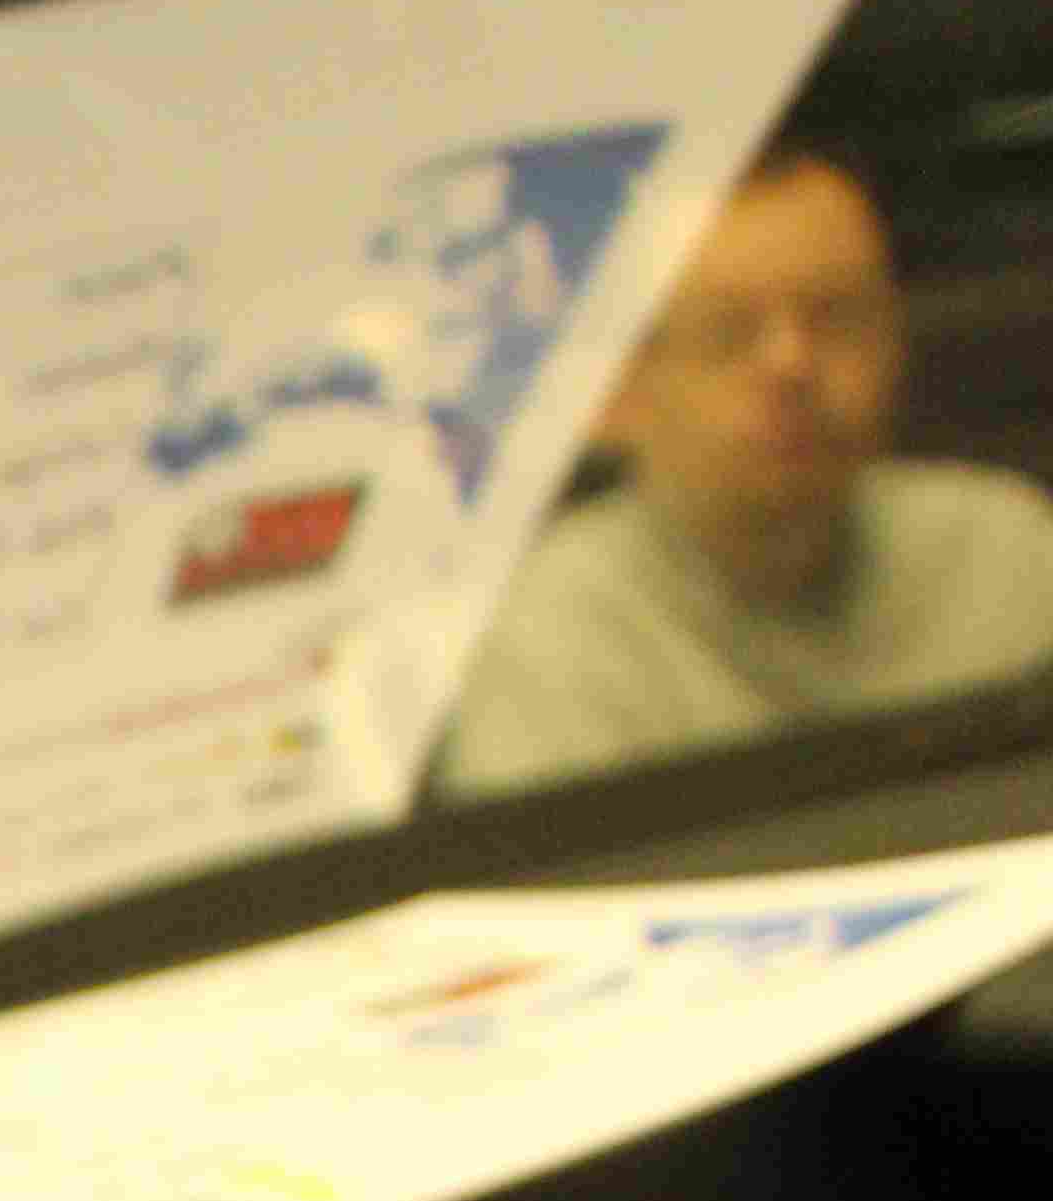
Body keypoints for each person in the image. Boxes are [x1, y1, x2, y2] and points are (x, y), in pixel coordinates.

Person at [439, 147, 1053, 798]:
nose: (793, 367)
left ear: (894, 343)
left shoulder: (1005, 552)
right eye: (726, 332)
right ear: (616, 388)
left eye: (836, 317)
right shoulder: (548, 633)